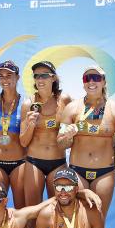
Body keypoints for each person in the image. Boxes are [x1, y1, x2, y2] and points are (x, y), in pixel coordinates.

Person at [57, 66, 115, 216]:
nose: (91, 82)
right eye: (87, 78)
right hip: (78, 171)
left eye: (96, 78)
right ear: (83, 83)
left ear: (103, 82)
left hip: (105, 173)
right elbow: (61, 144)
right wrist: (67, 136)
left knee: (98, 219)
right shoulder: (71, 108)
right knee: (77, 219)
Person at [19, 60, 72, 204]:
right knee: (32, 212)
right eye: (37, 76)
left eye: (44, 75)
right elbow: (23, 141)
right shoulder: (28, 104)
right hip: (33, 162)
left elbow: (71, 136)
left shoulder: (64, 100)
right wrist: (31, 124)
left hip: (58, 162)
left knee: (58, 210)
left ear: (53, 78)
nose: (40, 79)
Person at [0, 60, 27, 208]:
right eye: (1, 76)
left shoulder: (25, 103)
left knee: (21, 209)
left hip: (19, 163)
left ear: (17, 77)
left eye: (9, 75)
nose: (5, 79)